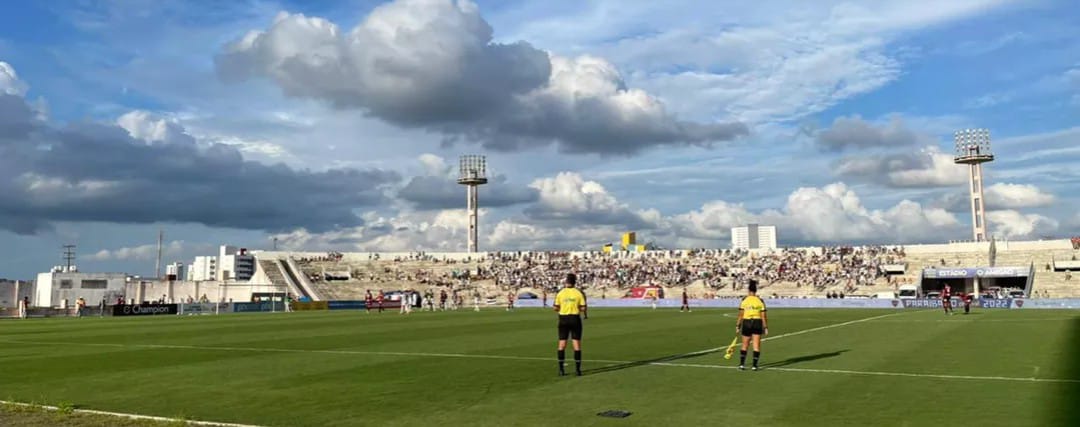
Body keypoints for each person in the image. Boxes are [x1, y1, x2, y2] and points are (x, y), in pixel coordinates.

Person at [554, 273, 587, 376]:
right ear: (574, 282)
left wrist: (563, 307)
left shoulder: (560, 293)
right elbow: (583, 308)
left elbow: (555, 308)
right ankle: (578, 370)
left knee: (562, 344)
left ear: (566, 281)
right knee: (576, 344)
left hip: (563, 319)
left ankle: (561, 370)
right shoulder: (578, 293)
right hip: (574, 319)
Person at [735, 279, 768, 371]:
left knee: (745, 344)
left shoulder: (744, 300)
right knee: (756, 345)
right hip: (757, 322)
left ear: (748, 290)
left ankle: (742, 364)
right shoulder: (760, 300)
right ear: (756, 291)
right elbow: (763, 316)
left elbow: (740, 315)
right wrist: (765, 327)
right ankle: (754, 365)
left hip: (747, 322)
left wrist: (738, 326)